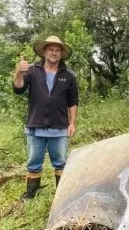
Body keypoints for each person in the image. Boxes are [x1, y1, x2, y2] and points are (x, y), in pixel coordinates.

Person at [12, 35, 79, 199]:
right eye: (51, 49)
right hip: (35, 126)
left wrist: (72, 124)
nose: (54, 53)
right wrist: (18, 72)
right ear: (44, 52)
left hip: (59, 127)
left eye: (57, 50)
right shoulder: (33, 71)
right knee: (34, 163)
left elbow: (73, 102)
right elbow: (18, 88)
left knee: (61, 163)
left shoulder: (69, 75)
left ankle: (61, 197)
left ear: (61, 54)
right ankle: (30, 195)